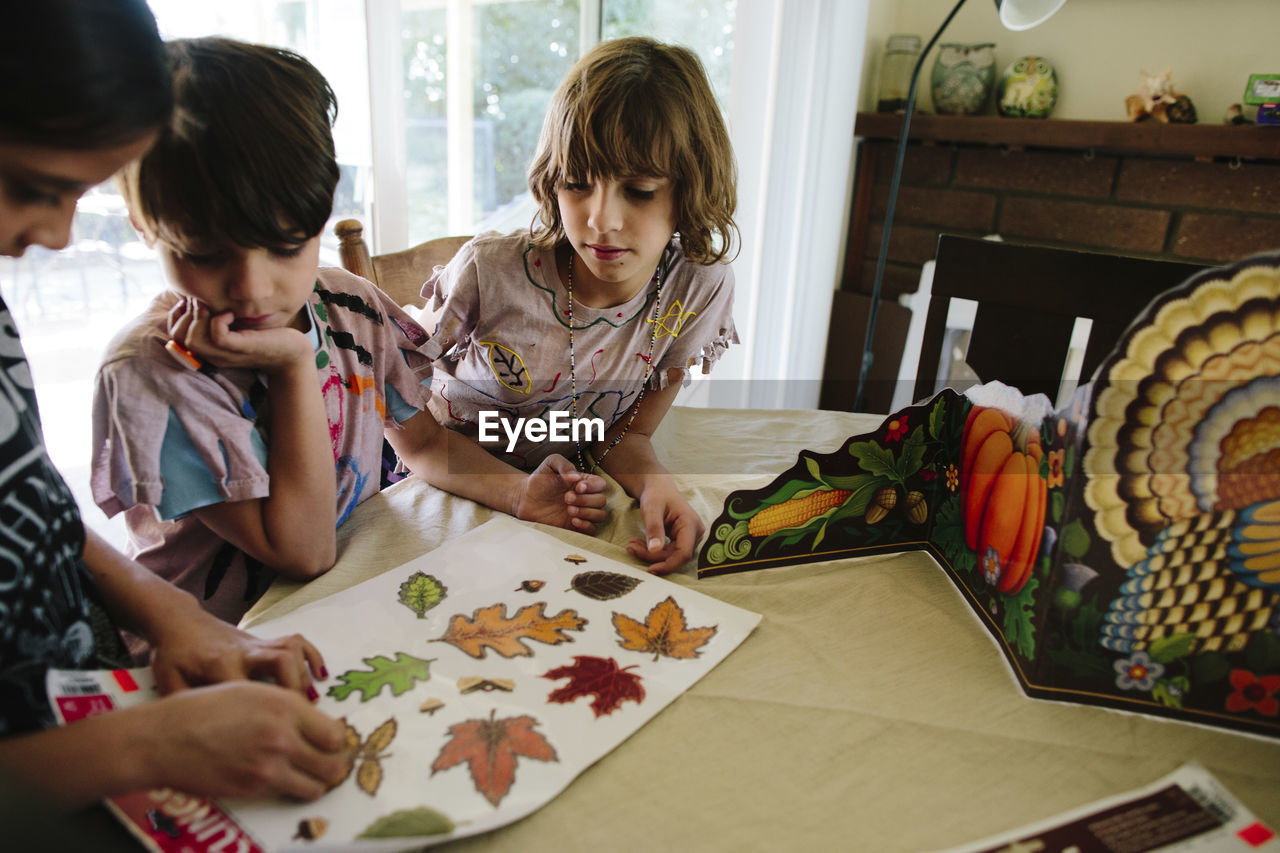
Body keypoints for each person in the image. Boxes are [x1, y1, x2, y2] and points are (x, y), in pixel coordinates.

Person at [90, 37, 608, 631]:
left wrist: (517, 493)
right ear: (144, 225)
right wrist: (290, 367)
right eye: (205, 254)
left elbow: (423, 444)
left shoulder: (349, 306)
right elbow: (304, 552)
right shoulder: (150, 374)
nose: (252, 287)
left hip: (347, 608)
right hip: (224, 645)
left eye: (286, 246)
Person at [0, 0, 348, 811]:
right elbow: (302, 546)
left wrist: (169, 611)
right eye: (32, 188)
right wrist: (150, 743)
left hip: (89, 695)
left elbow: (34, 509)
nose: (55, 236)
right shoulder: (149, 373)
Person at [420, 37, 739, 573]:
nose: (600, 220)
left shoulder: (696, 289)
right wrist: (517, 493)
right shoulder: (487, 271)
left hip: (554, 507)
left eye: (638, 190)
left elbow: (627, 434)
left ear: (690, 188)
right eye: (576, 184)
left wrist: (656, 485)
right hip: (441, 490)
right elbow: (403, 423)